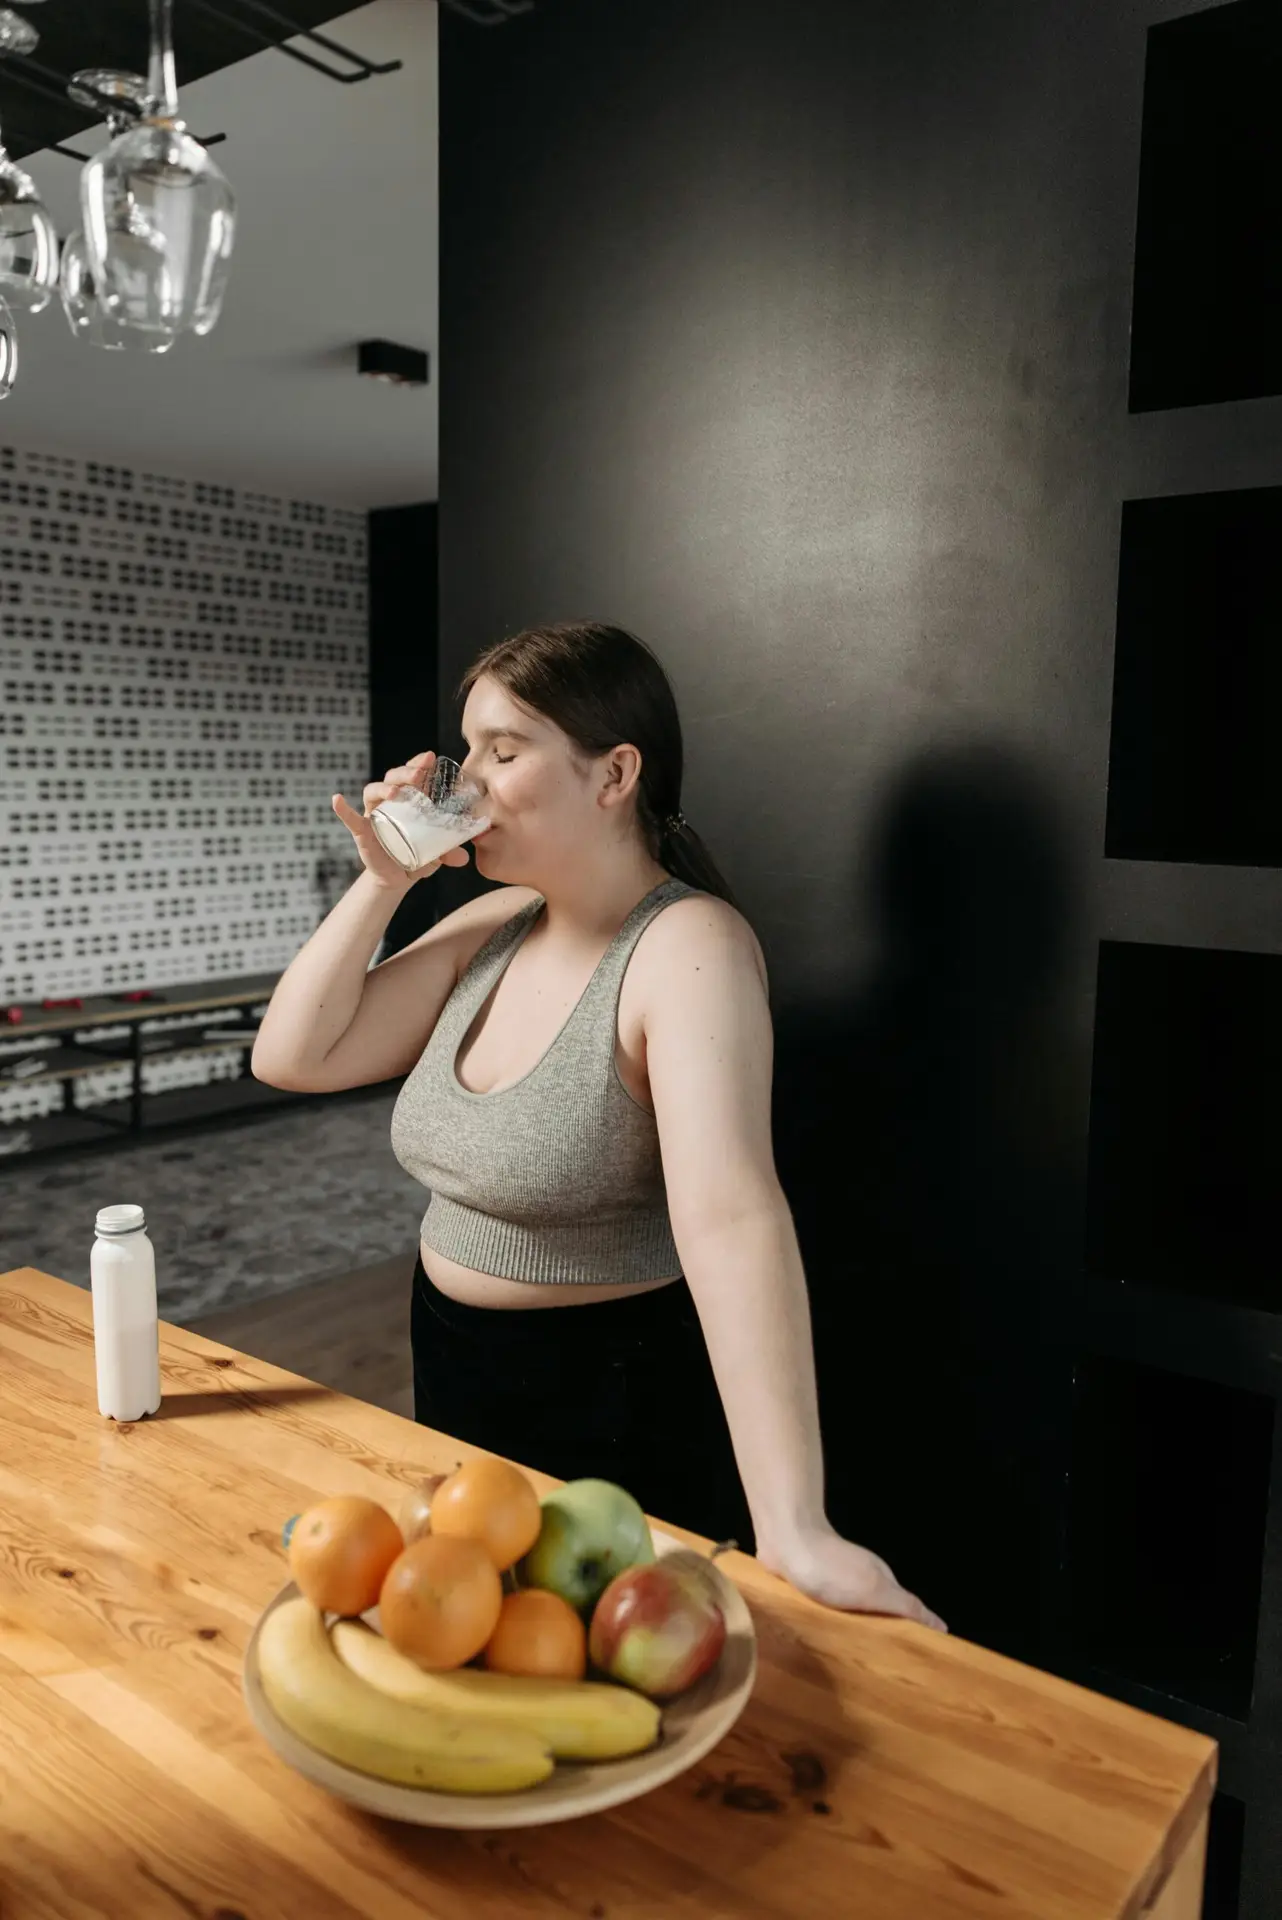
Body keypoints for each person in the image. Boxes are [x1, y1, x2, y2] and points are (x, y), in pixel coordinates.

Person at [252, 622, 943, 1630]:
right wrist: (387, 876)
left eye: (503, 750)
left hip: (611, 1410)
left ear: (614, 773)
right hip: (453, 1369)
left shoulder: (685, 948)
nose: (468, 785)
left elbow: (731, 1218)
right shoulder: (491, 927)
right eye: (465, 752)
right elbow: (292, 1057)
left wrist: (796, 1526)